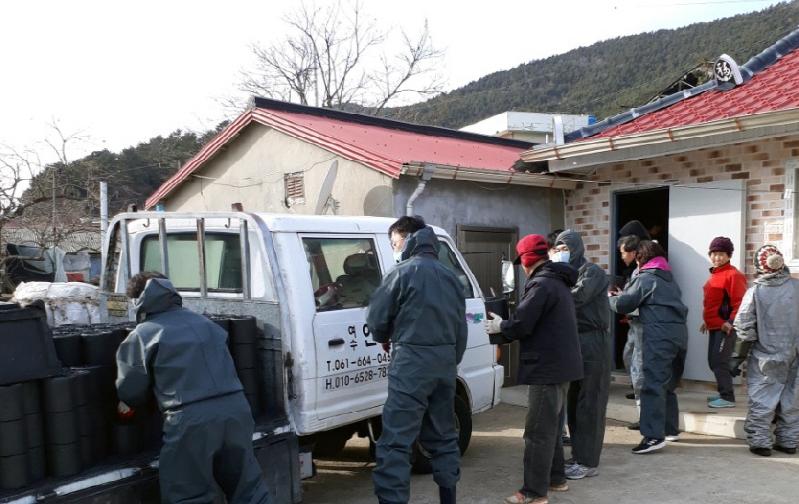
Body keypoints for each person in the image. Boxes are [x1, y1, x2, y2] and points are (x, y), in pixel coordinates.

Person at [116, 272, 271, 504]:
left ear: (138, 300)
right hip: (236, 411)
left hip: (191, 420)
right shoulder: (206, 323)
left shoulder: (143, 334)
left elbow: (131, 390)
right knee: (249, 489)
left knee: (188, 494)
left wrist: (129, 403)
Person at [367, 216, 467, 504]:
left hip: (411, 364)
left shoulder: (401, 273)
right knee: (444, 437)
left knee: (396, 442)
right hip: (445, 366)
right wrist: (448, 361)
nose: (394, 249)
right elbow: (460, 330)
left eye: (394, 243)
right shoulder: (451, 277)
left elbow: (377, 320)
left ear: (408, 240)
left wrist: (385, 336)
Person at [485, 234, 583, 504]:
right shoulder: (558, 281)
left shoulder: (541, 284)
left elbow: (523, 324)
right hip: (562, 367)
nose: (523, 268)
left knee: (538, 432)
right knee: (551, 428)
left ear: (527, 260)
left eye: (523, 263)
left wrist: (501, 326)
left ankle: (534, 492)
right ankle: (556, 479)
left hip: (546, 369)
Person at [609, 240, 688, 454]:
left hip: (658, 336)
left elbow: (624, 304)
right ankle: (670, 429)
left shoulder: (646, 277)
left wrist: (611, 298)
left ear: (640, 258)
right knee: (667, 384)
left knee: (652, 384)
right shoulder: (668, 278)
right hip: (679, 335)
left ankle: (653, 437)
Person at [731, 245, 799, 457]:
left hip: (766, 355)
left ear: (760, 267)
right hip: (795, 354)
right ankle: (788, 441)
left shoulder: (756, 292)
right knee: (792, 398)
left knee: (763, 397)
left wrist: (737, 357)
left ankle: (760, 441)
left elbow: (744, 326)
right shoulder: (797, 287)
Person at [554, 230, 611, 480]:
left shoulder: (591, 272)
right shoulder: (563, 274)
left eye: (565, 248)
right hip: (574, 341)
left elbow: (577, 298)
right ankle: (578, 455)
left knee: (591, 403)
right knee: (575, 402)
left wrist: (553, 292)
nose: (561, 252)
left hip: (593, 342)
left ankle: (588, 462)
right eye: (558, 248)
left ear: (577, 248)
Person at [700, 236, 747, 409]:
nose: (717, 257)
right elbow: (712, 303)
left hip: (725, 327)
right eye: (713, 253)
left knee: (720, 362)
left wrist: (730, 321)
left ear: (729, 256)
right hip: (714, 326)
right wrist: (706, 321)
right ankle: (723, 393)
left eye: (721, 254)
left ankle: (727, 397)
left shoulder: (734, 275)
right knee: (713, 362)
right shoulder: (715, 274)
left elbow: (740, 302)